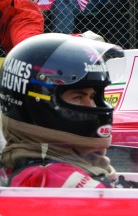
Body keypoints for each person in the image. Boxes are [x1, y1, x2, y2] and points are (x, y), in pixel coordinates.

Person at [0, 33, 124, 187]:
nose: (91, 106)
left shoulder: (78, 162)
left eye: (93, 96)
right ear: (37, 105)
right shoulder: (53, 177)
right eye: (78, 97)